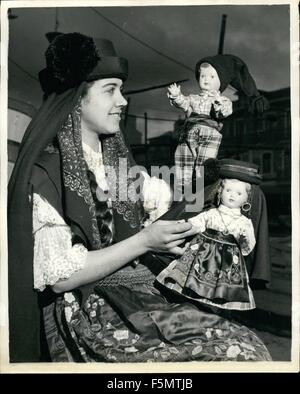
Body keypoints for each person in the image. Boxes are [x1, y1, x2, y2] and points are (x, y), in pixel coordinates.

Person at [8, 33, 271, 363]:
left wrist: (215, 192)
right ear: (77, 98)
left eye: (122, 89)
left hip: (135, 295)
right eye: (110, 90)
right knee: (233, 355)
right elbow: (62, 279)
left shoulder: (116, 166)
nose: (123, 100)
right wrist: (146, 241)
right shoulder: (47, 172)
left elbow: (160, 215)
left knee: (244, 344)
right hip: (90, 313)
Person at [168, 54, 269, 195]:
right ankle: (184, 189)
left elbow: (224, 112)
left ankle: (200, 189)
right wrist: (176, 95)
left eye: (211, 77)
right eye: (202, 76)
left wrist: (218, 103)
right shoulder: (193, 98)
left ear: (221, 81)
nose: (206, 79)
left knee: (204, 164)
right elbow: (184, 103)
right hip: (189, 132)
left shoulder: (223, 100)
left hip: (209, 133)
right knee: (184, 159)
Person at [156, 177, 257, 311]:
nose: (232, 195)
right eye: (228, 190)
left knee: (221, 281)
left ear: (246, 199)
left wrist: (243, 249)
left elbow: (248, 242)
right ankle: (190, 303)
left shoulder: (244, 222)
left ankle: (212, 305)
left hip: (226, 258)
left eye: (239, 193)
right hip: (202, 251)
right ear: (220, 192)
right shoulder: (212, 213)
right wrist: (183, 224)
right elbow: (196, 223)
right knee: (192, 277)